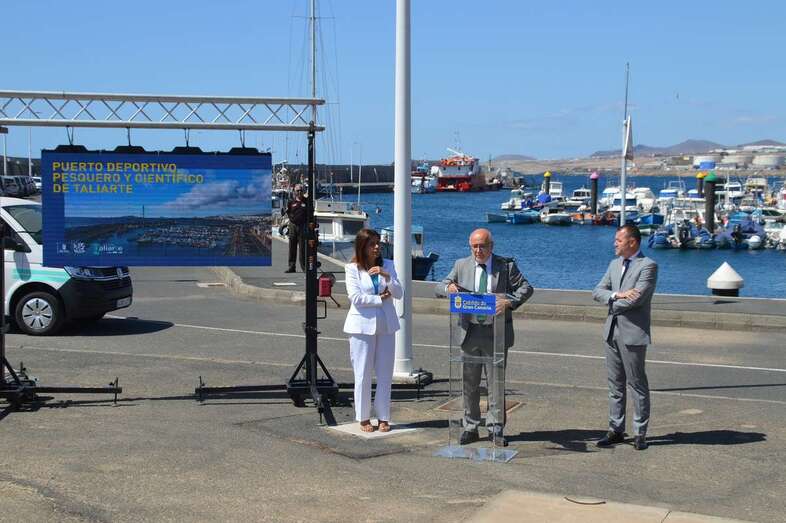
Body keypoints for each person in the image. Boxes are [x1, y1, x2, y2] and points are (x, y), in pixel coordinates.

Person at [435, 228, 533, 446]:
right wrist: (449, 288)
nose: (478, 250)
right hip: (468, 332)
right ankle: (470, 427)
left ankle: (495, 428)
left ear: (491, 246)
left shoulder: (505, 266)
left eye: (482, 246)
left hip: (495, 332)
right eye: (474, 246)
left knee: (495, 384)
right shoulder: (461, 265)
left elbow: (526, 288)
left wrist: (510, 302)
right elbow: (439, 286)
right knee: (469, 383)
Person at [592, 224, 658, 451]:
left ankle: (640, 433)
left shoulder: (648, 266)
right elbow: (597, 291)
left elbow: (636, 299)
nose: (615, 244)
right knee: (615, 384)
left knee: (637, 383)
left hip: (633, 334)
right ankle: (616, 429)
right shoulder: (614, 264)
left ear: (632, 242)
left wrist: (611, 303)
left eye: (618, 240)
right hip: (611, 331)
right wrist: (616, 295)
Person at [343, 228, 403, 433]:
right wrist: (380, 298)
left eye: (378, 243)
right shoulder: (352, 268)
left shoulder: (389, 265)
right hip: (361, 326)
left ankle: (384, 416)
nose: (377, 247)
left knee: (385, 372)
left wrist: (387, 276)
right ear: (362, 246)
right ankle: (363, 417)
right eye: (372, 244)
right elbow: (356, 298)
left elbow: (399, 293)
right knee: (363, 373)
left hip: (386, 325)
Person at [285, 185, 307, 273]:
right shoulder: (291, 202)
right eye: (297, 190)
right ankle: (291, 266)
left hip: (303, 226)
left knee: (302, 248)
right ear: (294, 192)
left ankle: (304, 267)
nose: (299, 192)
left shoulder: (307, 201)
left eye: (301, 190)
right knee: (292, 247)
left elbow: (310, 214)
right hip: (293, 226)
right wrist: (291, 219)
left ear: (303, 191)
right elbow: (288, 212)